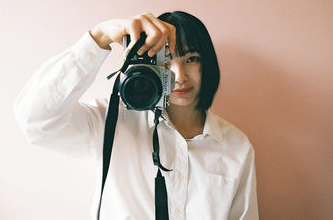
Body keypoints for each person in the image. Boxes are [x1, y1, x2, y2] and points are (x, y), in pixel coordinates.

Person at [13, 11, 259, 220]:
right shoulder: (113, 122)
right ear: (151, 65)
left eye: (192, 59)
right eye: (167, 60)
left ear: (208, 62)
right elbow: (36, 119)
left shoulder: (236, 146)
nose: (180, 76)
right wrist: (100, 37)